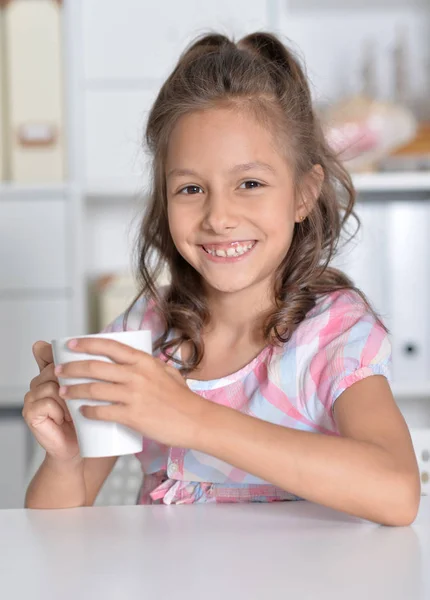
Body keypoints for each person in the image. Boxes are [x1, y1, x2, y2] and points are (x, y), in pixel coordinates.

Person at [23, 32, 420, 525]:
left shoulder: (333, 333)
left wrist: (192, 418)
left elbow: (398, 493)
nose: (219, 216)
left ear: (303, 194)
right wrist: (64, 457)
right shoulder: (144, 330)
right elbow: (51, 528)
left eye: (249, 184)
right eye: (191, 188)